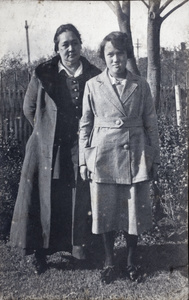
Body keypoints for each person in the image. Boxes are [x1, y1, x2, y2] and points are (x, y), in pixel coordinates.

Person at [10, 24, 100, 274]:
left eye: (74, 43)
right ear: (57, 48)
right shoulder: (43, 73)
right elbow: (29, 109)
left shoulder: (94, 75)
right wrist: (46, 132)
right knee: (42, 199)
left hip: (78, 148)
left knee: (74, 198)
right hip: (43, 149)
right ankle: (39, 254)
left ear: (81, 44)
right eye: (65, 45)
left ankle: (78, 250)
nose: (70, 49)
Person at [79, 31, 160, 284]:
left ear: (127, 55)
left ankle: (132, 261)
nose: (115, 59)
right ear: (104, 57)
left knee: (132, 211)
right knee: (105, 211)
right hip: (103, 156)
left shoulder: (141, 84)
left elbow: (151, 123)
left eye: (120, 53)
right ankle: (109, 261)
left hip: (134, 154)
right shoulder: (93, 85)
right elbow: (85, 125)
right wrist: (84, 160)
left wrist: (154, 157)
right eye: (110, 54)